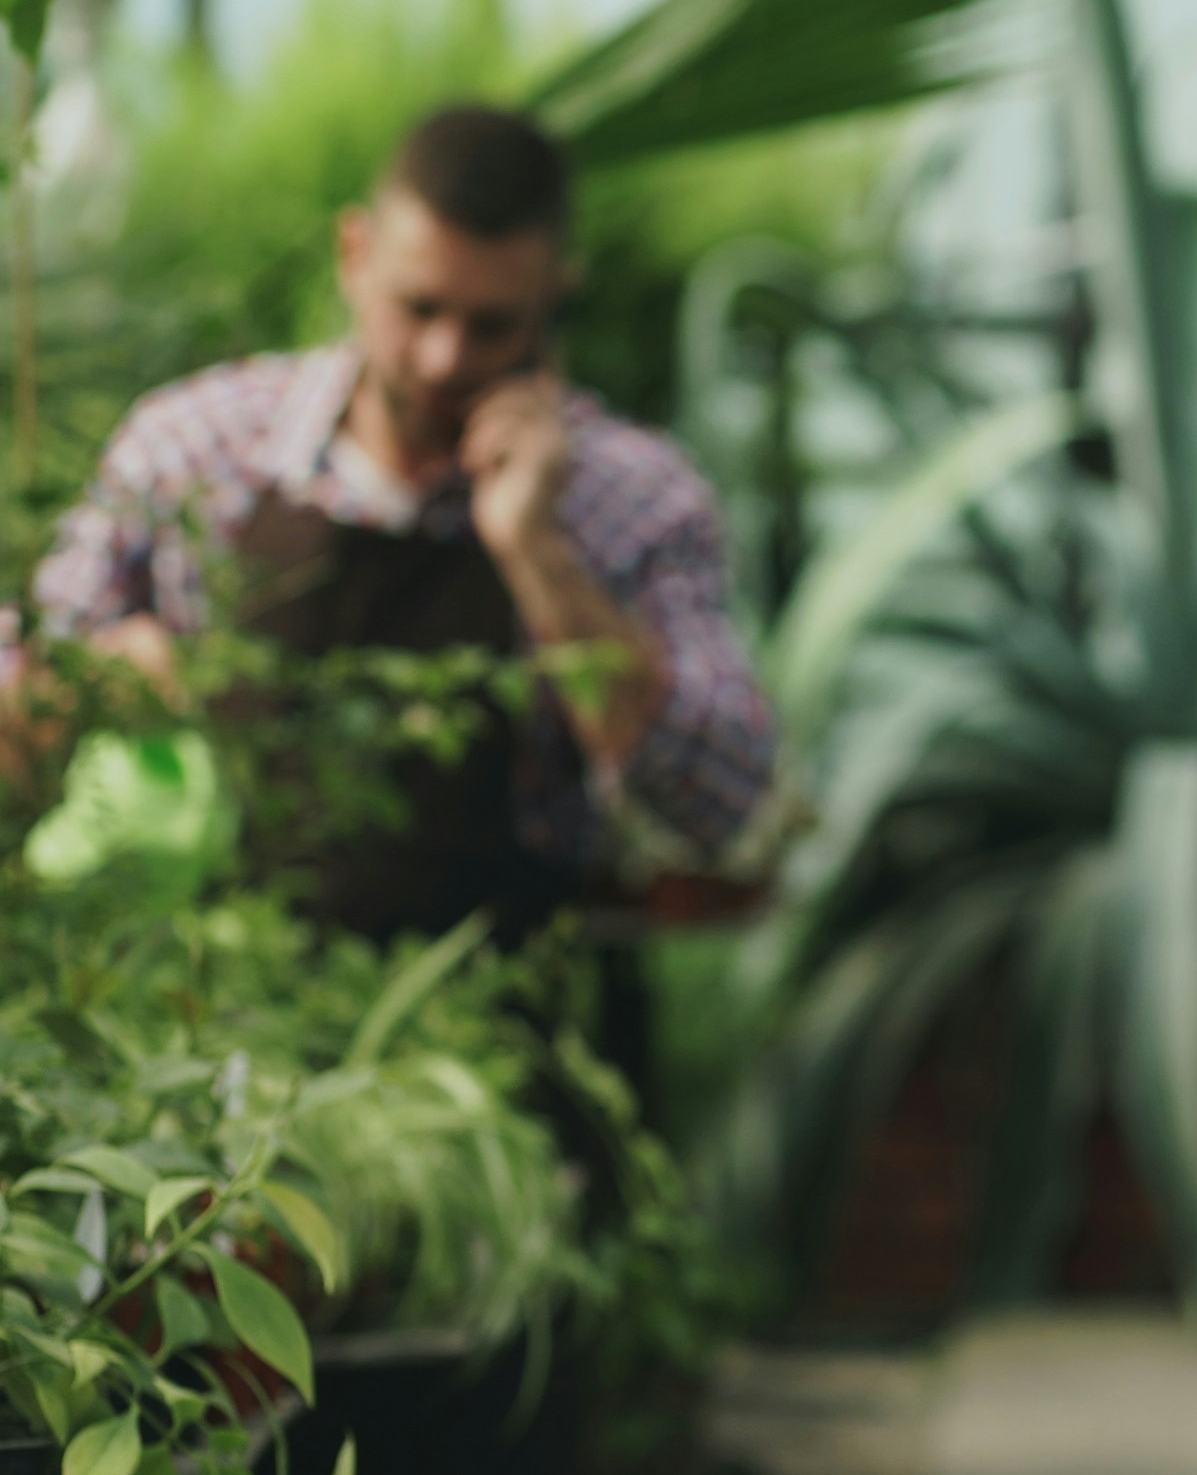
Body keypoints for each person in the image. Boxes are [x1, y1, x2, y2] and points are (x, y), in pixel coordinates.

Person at [22, 101, 773, 933]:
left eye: (493, 325)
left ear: (557, 291)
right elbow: (26, 701)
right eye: (419, 309)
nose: (445, 356)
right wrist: (98, 676)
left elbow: (721, 805)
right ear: (356, 255)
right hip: (216, 1008)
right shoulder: (196, 448)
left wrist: (537, 550)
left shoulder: (635, 498)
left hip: (506, 1024)